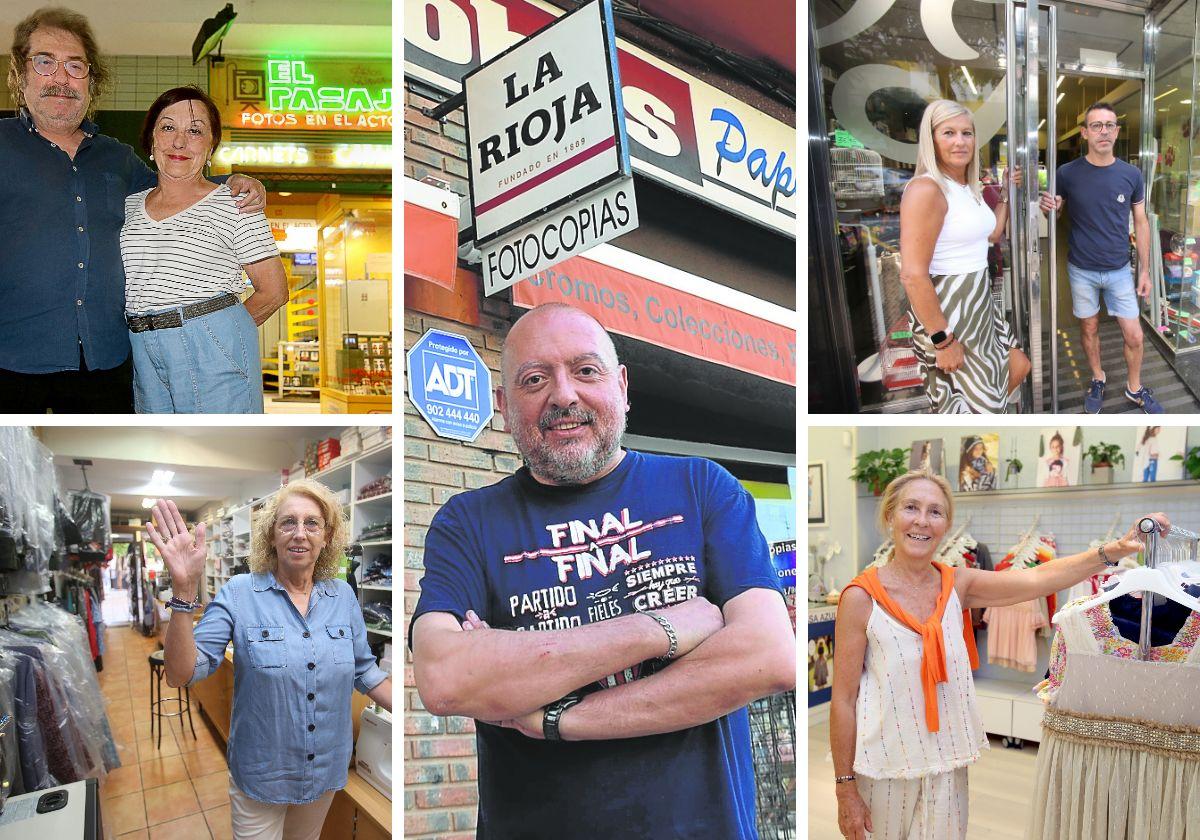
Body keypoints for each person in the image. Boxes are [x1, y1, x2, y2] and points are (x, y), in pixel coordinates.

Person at [410, 302, 796, 839]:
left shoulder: (702, 488)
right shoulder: (467, 523)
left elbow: (769, 657)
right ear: (503, 405)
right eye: (534, 379)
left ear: (622, 386)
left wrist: (556, 719)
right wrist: (662, 628)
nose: (563, 395)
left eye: (585, 371)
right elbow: (446, 677)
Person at [830, 469, 1167, 840]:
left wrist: (1115, 550)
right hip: (884, 768)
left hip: (947, 762)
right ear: (890, 515)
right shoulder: (860, 598)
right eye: (911, 508)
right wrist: (845, 788)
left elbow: (1038, 578)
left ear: (946, 525)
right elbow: (843, 700)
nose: (922, 521)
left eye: (935, 512)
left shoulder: (957, 583)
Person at [0, 7, 265, 412]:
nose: (61, 78)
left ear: (92, 81)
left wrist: (238, 182)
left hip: (108, 365)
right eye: (45, 62)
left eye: (76, 66)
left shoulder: (118, 159)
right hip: (13, 363)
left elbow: (179, 184)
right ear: (21, 74)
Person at [154, 482, 392, 840]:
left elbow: (365, 671)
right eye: (288, 523)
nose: (300, 533)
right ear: (271, 535)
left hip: (323, 770)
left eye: (312, 523)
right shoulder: (239, 593)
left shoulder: (342, 596)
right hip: (262, 774)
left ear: (326, 536)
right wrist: (185, 591)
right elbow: (181, 673)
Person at [121, 86, 286, 413]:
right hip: (141, 347)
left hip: (211, 340)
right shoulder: (127, 206)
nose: (179, 142)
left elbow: (274, 290)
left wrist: (219, 334)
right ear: (151, 140)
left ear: (211, 147)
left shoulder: (235, 202)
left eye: (195, 131)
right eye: (168, 128)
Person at [900, 99, 1031, 413]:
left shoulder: (964, 187)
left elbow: (992, 235)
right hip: (949, 309)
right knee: (975, 404)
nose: (960, 141)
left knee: (1018, 365)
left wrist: (1004, 196)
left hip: (978, 302)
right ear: (931, 139)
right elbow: (912, 274)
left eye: (967, 133)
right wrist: (943, 341)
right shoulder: (927, 189)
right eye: (948, 133)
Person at [1039, 101, 1162, 414]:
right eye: (1096, 125)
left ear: (1117, 131)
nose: (1103, 131)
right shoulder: (1066, 173)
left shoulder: (1132, 174)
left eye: (1109, 125)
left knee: (1134, 335)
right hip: (1082, 269)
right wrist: (1050, 207)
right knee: (1089, 329)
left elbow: (1141, 221)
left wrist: (1144, 271)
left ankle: (1134, 388)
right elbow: (1058, 208)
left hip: (1120, 269)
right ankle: (1097, 377)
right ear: (1085, 133)